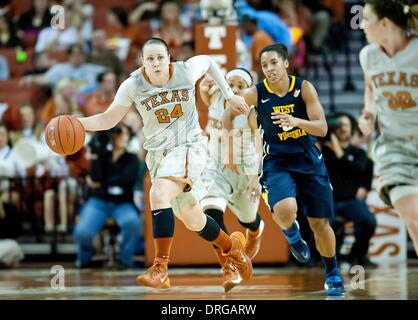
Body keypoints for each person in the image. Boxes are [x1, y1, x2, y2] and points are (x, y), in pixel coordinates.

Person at [77, 37, 253, 289]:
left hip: (189, 146)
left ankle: (160, 268)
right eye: (150, 59)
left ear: (169, 57)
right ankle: (232, 248)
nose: (156, 63)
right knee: (194, 219)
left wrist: (228, 96)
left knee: (158, 191)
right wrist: (78, 123)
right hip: (159, 156)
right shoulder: (132, 85)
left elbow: (208, 61)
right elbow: (108, 119)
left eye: (160, 57)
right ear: (143, 62)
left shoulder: (185, 70)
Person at [223, 43, 345, 296]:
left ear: (286, 63)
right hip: (277, 162)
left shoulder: (303, 88)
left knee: (320, 224)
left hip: (309, 160)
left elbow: (322, 128)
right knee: (286, 210)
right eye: (264, 65)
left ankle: (332, 273)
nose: (269, 69)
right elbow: (228, 110)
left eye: (273, 63)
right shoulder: (257, 92)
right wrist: (229, 145)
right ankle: (292, 235)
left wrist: (296, 121)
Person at [358, 0, 418, 256]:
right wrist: (368, 112)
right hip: (394, 150)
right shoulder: (368, 55)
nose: (361, 25)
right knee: (414, 220)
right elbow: (371, 89)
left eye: (366, 19)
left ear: (384, 23)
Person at [199, 68, 264, 292]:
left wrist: (255, 178)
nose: (235, 90)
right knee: (211, 215)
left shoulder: (254, 111)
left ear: (250, 89)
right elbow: (204, 92)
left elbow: (259, 145)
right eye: (231, 84)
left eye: (241, 86)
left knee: (247, 218)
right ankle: (228, 267)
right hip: (215, 166)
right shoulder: (217, 96)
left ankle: (255, 230)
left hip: (245, 170)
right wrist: (203, 84)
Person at [73, 124, 141, 268]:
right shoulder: (102, 155)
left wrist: (102, 183)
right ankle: (85, 259)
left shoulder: (132, 158)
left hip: (123, 202)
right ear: (113, 136)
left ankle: (125, 260)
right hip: (99, 201)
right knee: (82, 232)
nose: (123, 137)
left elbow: (127, 179)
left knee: (132, 223)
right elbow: (95, 177)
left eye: (126, 134)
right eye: (119, 133)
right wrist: (96, 154)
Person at [321, 113, 377, 268]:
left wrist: (365, 187)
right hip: (329, 201)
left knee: (368, 221)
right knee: (322, 224)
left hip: (350, 200)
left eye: (345, 124)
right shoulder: (323, 151)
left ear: (352, 128)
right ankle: (331, 258)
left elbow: (355, 169)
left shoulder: (358, 152)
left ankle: (358, 254)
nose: (342, 128)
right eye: (338, 125)